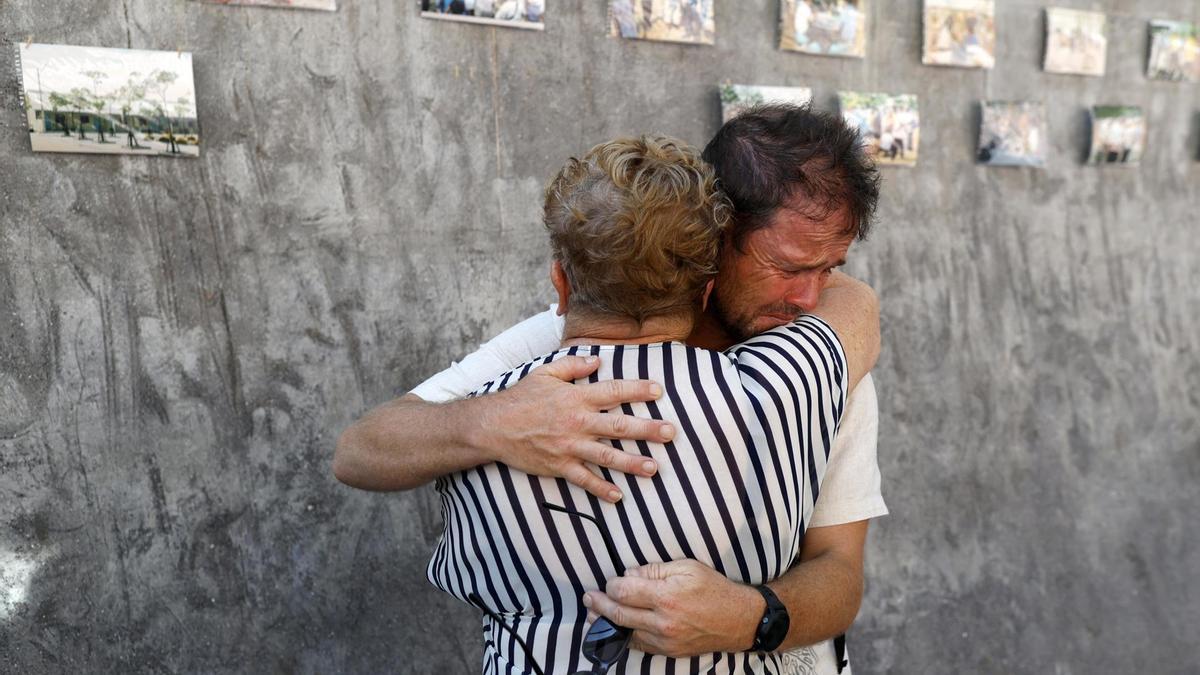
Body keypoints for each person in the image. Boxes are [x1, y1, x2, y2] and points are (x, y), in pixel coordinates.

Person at [335, 105, 886, 674]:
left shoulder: (822, 363)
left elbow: (840, 571)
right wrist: (491, 422)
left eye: (829, 270)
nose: (808, 299)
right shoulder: (551, 351)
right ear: (715, 239)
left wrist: (750, 616)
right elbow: (360, 451)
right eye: (786, 265)